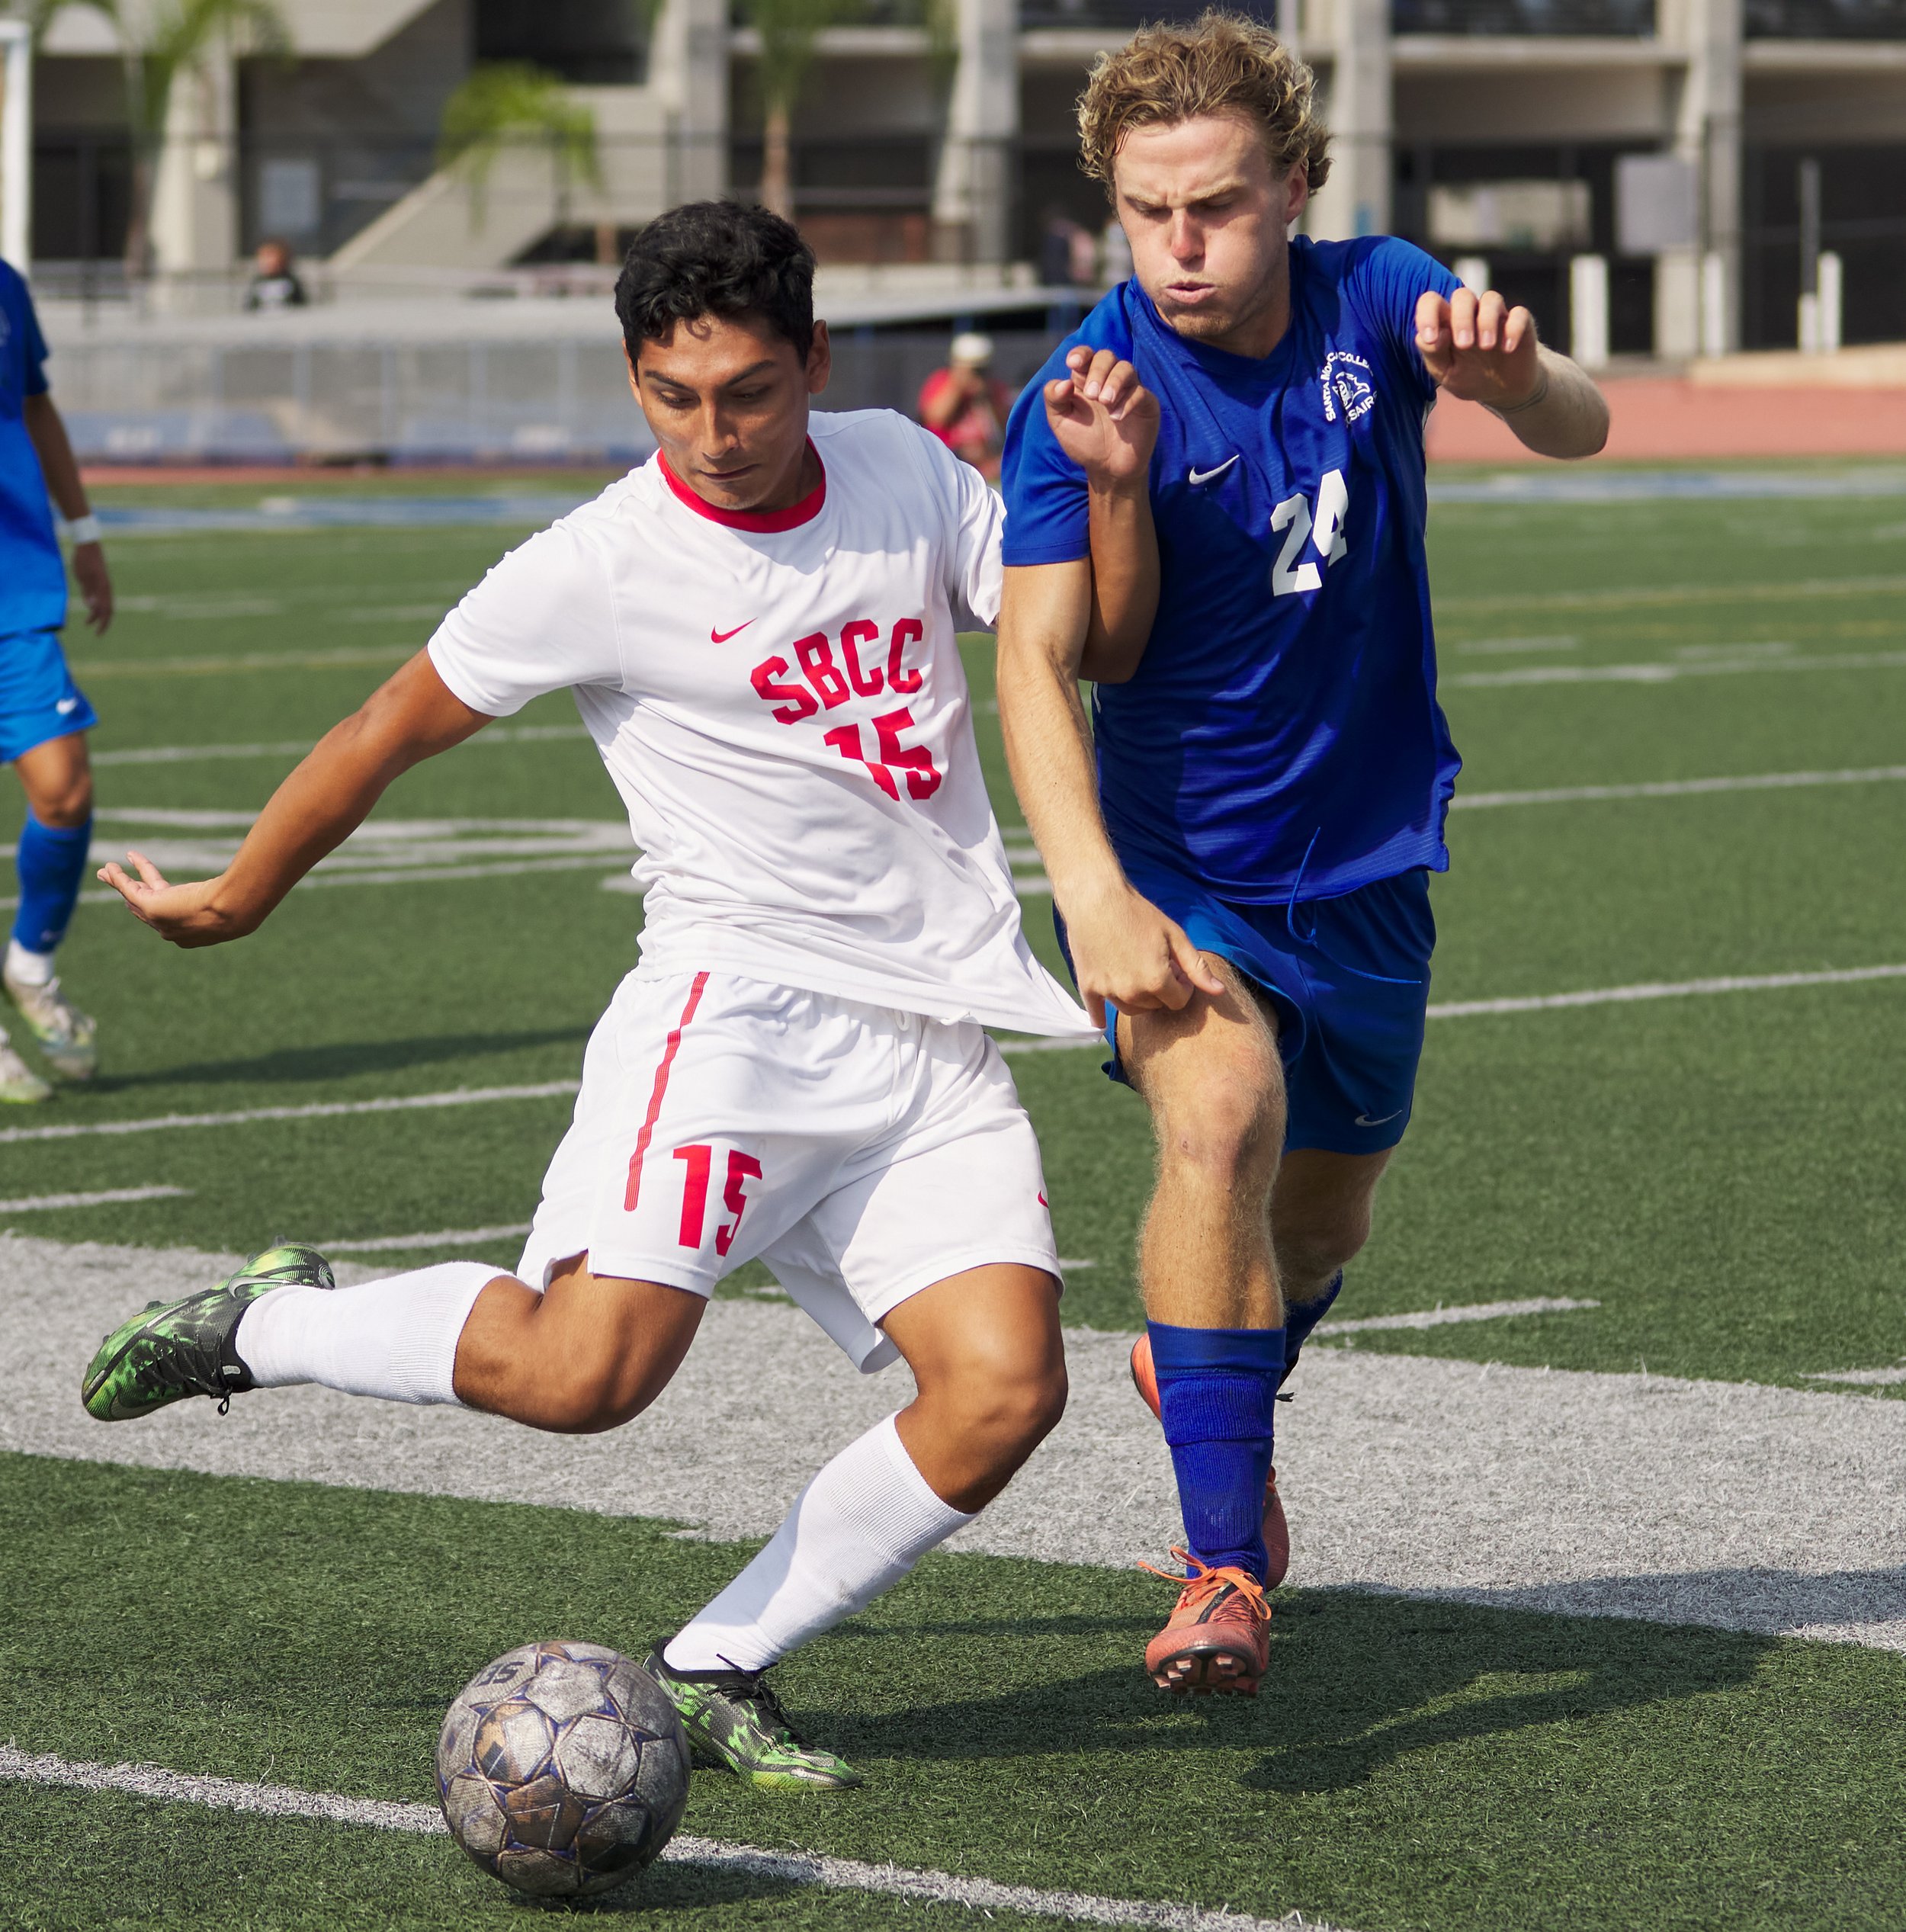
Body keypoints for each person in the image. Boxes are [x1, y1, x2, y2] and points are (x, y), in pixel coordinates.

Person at [79, 201, 1157, 1788]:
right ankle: (267, 1322)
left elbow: (1096, 646)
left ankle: (717, 1663)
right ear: (634, 378)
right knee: (582, 1378)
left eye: (747, 392)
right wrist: (241, 891)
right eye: (670, 395)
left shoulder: (908, 472)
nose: (711, 434)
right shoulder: (600, 561)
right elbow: (393, 722)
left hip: (926, 1038)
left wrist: (1116, 492)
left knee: (1005, 1388)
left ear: (815, 362)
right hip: (731, 1022)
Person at [994, 12, 1609, 1699]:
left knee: (1321, 1227)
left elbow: (1581, 426)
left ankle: (1202, 1364)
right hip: (1176, 863)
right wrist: (1096, 896)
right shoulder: (1085, 385)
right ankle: (1216, 1567)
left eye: (1217, 206)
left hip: (1370, 861)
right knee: (1221, 1123)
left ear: (1297, 189)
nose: (1179, 246)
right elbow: (1041, 666)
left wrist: (1514, 377)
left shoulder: (1378, 294)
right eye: (1144, 211)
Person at [0, 255, 114, 1105]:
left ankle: (30, 967)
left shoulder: (7, 284)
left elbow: (35, 404)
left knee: (64, 789)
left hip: (15, 584)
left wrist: (84, 529)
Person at [918, 332, 1012, 480]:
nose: (977, 375)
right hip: (947, 458)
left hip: (985, 463)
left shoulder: (994, 388)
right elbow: (935, 418)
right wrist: (959, 385)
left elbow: (1005, 428)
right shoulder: (941, 381)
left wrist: (986, 395)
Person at [244, 239, 308, 311]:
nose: (267, 262)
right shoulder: (258, 282)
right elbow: (251, 306)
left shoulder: (290, 281)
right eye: (264, 258)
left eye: (271, 256)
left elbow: (300, 304)